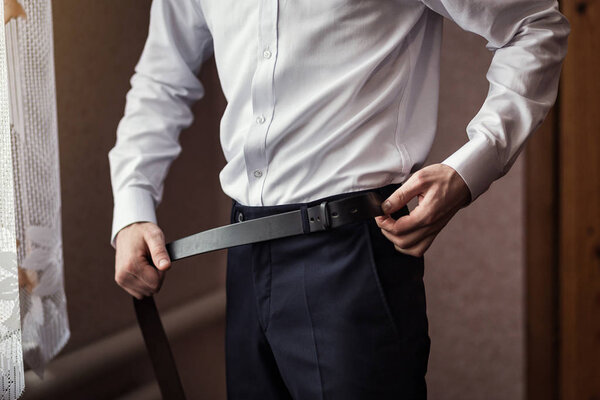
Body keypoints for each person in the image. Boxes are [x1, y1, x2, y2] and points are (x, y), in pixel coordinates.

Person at [108, 0, 569, 398]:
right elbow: (161, 82)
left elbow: (534, 26)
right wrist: (132, 207)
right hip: (243, 254)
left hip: (352, 258)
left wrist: (469, 169)